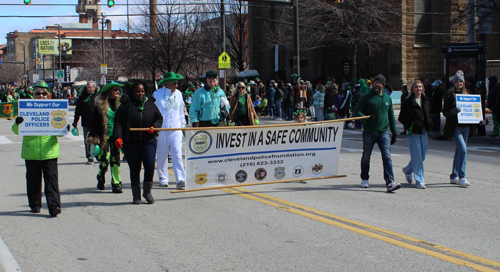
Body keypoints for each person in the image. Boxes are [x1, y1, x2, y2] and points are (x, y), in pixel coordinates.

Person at [12, 81, 63, 216]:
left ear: (48, 95)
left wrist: (63, 127)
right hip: (31, 151)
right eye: (38, 93)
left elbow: (59, 131)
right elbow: (16, 131)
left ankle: (54, 206)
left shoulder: (54, 108)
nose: (41, 96)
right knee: (33, 180)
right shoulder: (26, 109)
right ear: (33, 95)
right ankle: (35, 204)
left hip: (49, 151)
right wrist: (18, 123)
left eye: (44, 93)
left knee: (51, 180)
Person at [114, 80, 163, 204]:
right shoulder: (126, 105)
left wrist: (155, 126)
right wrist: (118, 137)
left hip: (149, 140)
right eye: (138, 92)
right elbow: (118, 122)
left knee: (150, 165)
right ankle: (136, 195)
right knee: (135, 168)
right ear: (132, 92)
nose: (141, 94)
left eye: (142, 91)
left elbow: (159, 118)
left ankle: (147, 192)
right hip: (132, 141)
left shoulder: (150, 103)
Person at [353, 74, 401, 192]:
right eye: (375, 82)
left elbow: (391, 117)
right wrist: (365, 119)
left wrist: (394, 132)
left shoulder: (387, 99)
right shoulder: (366, 97)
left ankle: (390, 181)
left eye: (379, 82)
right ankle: (364, 178)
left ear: (383, 85)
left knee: (387, 157)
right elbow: (356, 112)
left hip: (383, 133)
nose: (376, 84)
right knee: (366, 157)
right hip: (369, 132)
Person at [442, 70, 480, 187]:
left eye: (461, 81)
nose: (459, 83)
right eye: (457, 81)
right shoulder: (449, 94)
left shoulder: (468, 94)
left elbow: (474, 112)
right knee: (463, 150)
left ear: (464, 83)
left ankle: (454, 175)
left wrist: (480, 120)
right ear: (454, 82)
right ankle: (462, 176)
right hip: (455, 127)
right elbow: (445, 112)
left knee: (459, 151)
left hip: (466, 126)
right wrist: (453, 111)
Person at [87, 81, 123, 193]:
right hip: (104, 136)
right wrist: (94, 137)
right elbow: (95, 123)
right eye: (115, 90)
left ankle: (116, 183)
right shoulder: (100, 104)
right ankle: (101, 175)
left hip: (116, 136)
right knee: (106, 159)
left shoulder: (121, 104)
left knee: (116, 160)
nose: (118, 92)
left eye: (119, 90)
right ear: (109, 92)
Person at [153, 72, 187, 189]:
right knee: (162, 155)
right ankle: (163, 178)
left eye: (177, 83)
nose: (176, 85)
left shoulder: (179, 94)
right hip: (162, 130)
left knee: (177, 154)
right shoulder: (157, 94)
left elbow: (181, 112)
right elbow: (153, 112)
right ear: (167, 84)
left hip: (176, 129)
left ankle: (181, 179)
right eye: (174, 83)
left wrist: (183, 127)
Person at [398, 80, 433, 189]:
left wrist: (430, 123)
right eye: (416, 87)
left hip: (424, 130)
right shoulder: (408, 101)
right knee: (417, 155)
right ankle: (419, 180)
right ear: (413, 89)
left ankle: (408, 170)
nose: (418, 89)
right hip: (413, 131)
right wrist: (410, 124)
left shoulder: (426, 100)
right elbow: (401, 117)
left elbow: (430, 113)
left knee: (422, 156)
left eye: (420, 87)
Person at [73, 81, 98, 165]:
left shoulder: (98, 97)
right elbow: (78, 110)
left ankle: (98, 155)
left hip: (97, 123)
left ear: (94, 88)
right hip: (86, 122)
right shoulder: (83, 97)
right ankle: (90, 157)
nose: (89, 89)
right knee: (87, 141)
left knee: (97, 140)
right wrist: (75, 121)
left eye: (90, 87)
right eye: (88, 87)